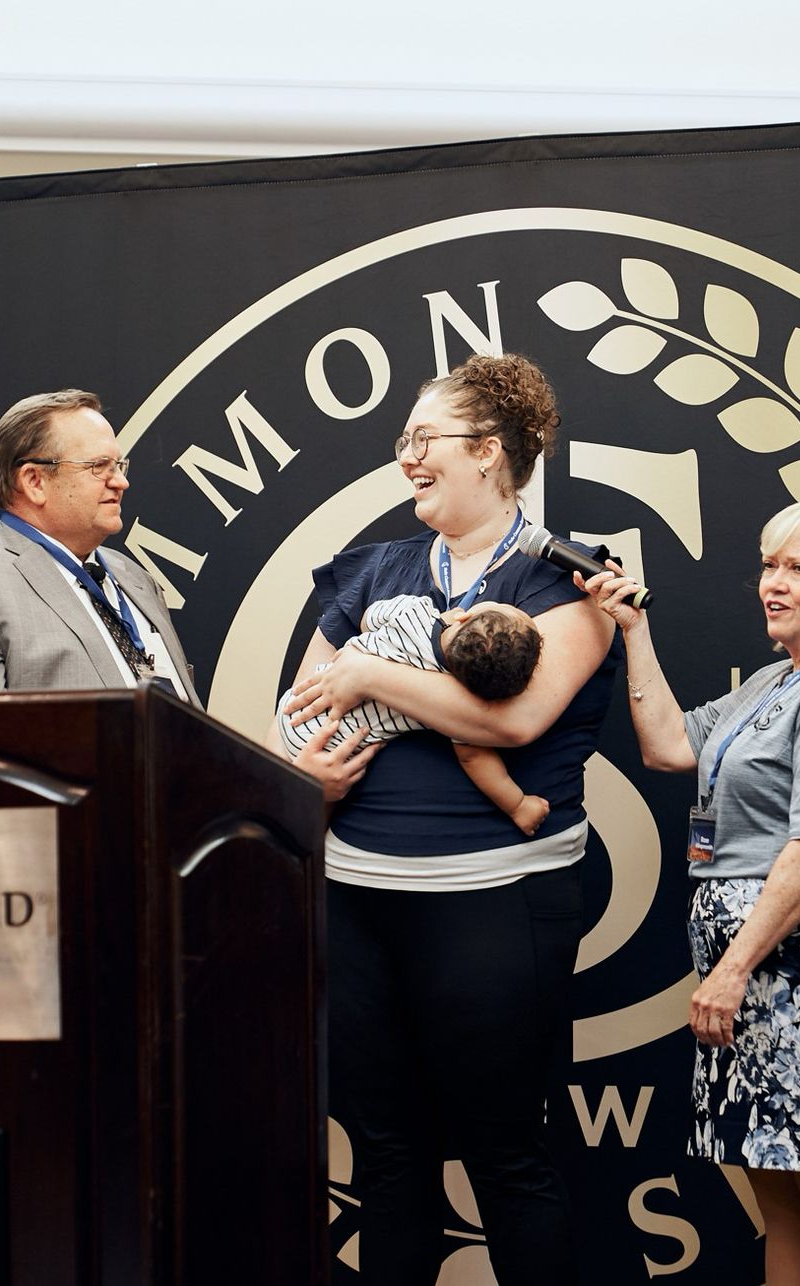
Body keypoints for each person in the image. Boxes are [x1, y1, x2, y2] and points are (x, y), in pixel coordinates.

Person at [275, 353, 620, 1284]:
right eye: (404, 442)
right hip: (355, 901)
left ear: (491, 453)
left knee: (507, 1157)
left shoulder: (571, 581)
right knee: (387, 1157)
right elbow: (304, 707)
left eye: (424, 439)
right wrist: (307, 774)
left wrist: (373, 675)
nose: (407, 459)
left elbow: (510, 719)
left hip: (498, 906)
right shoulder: (372, 568)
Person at [580, 499, 800, 1286]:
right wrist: (634, 631)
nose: (772, 583)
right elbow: (670, 748)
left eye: (798, 568)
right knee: (780, 1193)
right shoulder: (777, 680)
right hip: (763, 964)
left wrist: (731, 969)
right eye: (770, 564)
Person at [0, 389, 198, 700]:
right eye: (99, 466)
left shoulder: (134, 577)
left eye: (119, 466)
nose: (121, 482)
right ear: (34, 481)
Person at [275, 594, 552, 834]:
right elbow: (474, 757)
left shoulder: (413, 612)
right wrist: (518, 805)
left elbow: (369, 618)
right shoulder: (448, 700)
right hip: (331, 753)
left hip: (297, 708)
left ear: (463, 618)